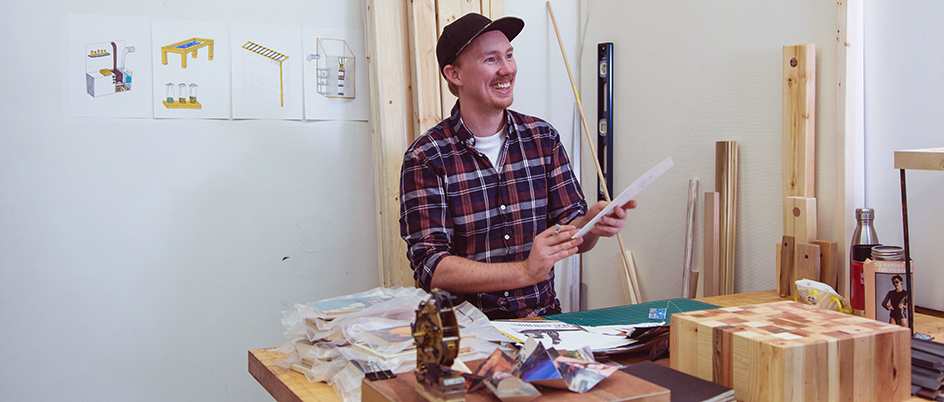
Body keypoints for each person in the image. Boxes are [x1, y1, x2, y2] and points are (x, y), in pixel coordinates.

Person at [399, 13, 635, 319]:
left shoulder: (542, 138)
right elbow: (431, 266)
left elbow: (573, 236)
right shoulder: (426, 157)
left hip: (542, 321)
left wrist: (591, 222)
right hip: (468, 333)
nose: (507, 69)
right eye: (491, 59)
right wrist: (524, 272)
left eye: (509, 55)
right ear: (454, 74)